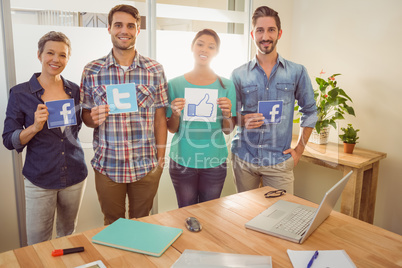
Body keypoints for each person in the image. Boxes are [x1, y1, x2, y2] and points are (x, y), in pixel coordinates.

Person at [80, 4, 168, 225]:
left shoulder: (155, 69)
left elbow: (160, 117)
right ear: (109, 28)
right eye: (118, 25)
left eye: (131, 26)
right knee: (113, 223)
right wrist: (94, 117)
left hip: (145, 165)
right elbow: (86, 117)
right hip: (108, 165)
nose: (124, 31)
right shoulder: (92, 70)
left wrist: (160, 158)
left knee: (142, 222)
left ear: (138, 30)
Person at [2, 31, 88, 245]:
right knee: (38, 242)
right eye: (50, 53)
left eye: (62, 55)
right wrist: (34, 127)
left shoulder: (75, 91)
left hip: (75, 175)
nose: (56, 60)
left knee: (68, 235)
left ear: (68, 59)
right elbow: (8, 140)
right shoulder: (20, 93)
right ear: (39, 55)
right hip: (39, 178)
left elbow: (78, 128)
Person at [230, 6, 317, 194]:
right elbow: (229, 120)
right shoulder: (238, 74)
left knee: (283, 218)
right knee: (244, 219)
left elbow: (310, 111)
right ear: (253, 34)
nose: (265, 36)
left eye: (271, 30)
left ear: (279, 33)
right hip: (244, 159)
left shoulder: (297, 71)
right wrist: (243, 120)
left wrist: (299, 150)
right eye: (260, 30)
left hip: (279, 161)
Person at [167, 29, 236, 208]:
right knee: (186, 213)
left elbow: (228, 129)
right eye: (200, 44)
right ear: (192, 47)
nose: (204, 49)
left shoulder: (227, 85)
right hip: (182, 160)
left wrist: (227, 115)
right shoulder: (174, 84)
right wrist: (175, 114)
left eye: (211, 46)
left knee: (210, 214)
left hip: (214, 161)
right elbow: (172, 128)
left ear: (216, 52)